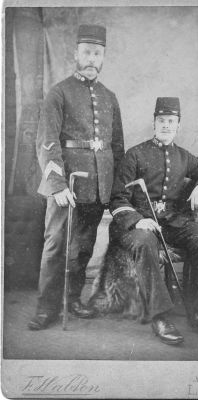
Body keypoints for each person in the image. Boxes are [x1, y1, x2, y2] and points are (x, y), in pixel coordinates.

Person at [28, 24, 124, 330]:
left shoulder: (109, 97)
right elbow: (46, 141)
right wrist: (56, 184)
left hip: (97, 186)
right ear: (75, 54)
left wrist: (113, 186)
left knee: (83, 246)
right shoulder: (59, 93)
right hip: (66, 186)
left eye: (98, 53)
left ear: (103, 57)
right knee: (56, 245)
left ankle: (73, 299)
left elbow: (117, 146)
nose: (92, 59)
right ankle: (47, 308)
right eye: (87, 52)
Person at [109, 97, 198, 345]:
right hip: (135, 226)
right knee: (145, 242)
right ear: (154, 123)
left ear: (178, 125)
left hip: (170, 223)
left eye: (171, 121)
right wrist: (138, 220)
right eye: (161, 120)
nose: (166, 125)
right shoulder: (135, 155)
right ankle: (160, 315)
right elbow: (117, 198)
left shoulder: (183, 157)